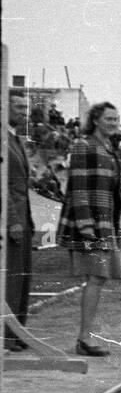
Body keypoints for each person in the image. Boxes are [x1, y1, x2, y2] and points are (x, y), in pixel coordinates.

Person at [55, 102, 121, 356]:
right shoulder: (84, 145)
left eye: (116, 118)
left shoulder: (107, 147)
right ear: (95, 120)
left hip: (105, 222)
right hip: (92, 223)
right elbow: (78, 187)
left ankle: (86, 336)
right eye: (108, 118)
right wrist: (85, 225)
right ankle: (84, 338)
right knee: (96, 277)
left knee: (99, 278)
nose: (113, 122)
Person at [3, 90, 34, 352]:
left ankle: (17, 331)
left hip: (24, 218)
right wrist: (13, 219)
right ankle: (7, 334)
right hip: (11, 219)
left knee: (23, 277)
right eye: (18, 107)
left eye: (26, 108)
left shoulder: (17, 139)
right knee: (11, 278)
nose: (23, 112)